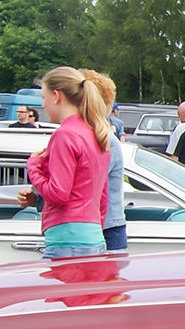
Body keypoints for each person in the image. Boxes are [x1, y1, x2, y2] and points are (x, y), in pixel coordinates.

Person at [20, 66, 111, 260]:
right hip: (94, 235)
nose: (43, 106)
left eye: (43, 98)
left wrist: (34, 166)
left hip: (66, 238)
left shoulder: (65, 135)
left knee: (60, 290)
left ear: (56, 96)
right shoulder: (96, 134)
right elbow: (103, 197)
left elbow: (58, 194)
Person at [83, 70, 128, 252]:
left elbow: (81, 183)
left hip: (105, 227)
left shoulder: (103, 139)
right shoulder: (97, 137)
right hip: (103, 225)